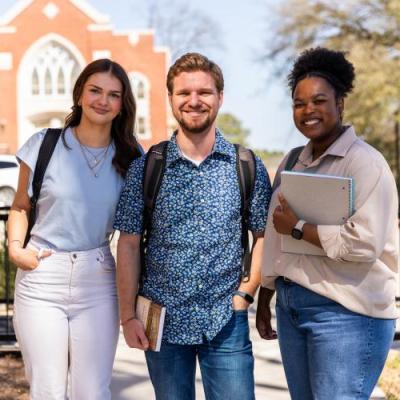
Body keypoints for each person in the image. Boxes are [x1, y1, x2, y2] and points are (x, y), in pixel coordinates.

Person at [114, 52, 272, 400]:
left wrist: (244, 296)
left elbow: (265, 236)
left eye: (204, 92)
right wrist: (128, 317)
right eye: (184, 93)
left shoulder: (245, 164)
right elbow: (127, 243)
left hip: (225, 321)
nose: (194, 101)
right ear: (171, 98)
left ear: (220, 98)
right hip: (162, 322)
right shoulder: (147, 167)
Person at [256, 47, 399, 400]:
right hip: (292, 307)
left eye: (319, 100)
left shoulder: (365, 163)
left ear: (340, 104)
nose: (308, 111)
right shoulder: (293, 161)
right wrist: (267, 294)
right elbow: (276, 238)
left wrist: (300, 227)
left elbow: (364, 243)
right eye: (299, 103)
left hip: (348, 312)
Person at [8, 58, 142, 399]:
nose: (103, 100)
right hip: (42, 274)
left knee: (92, 392)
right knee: (48, 391)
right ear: (80, 93)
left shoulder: (131, 156)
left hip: (98, 278)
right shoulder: (44, 144)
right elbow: (21, 207)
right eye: (95, 90)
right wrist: (15, 249)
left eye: (113, 95)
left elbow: (139, 229)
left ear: (122, 104)